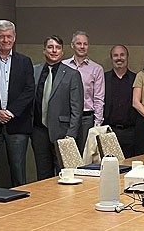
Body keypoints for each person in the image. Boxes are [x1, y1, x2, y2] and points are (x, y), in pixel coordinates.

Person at [0, 19, 35, 188]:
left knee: (18, 170)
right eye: (1, 36)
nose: (5, 40)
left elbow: (29, 91)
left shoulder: (24, 61)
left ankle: (20, 207)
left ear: (15, 37)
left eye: (9, 36)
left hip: (18, 124)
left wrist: (10, 112)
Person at [31, 35, 83, 180]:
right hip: (38, 131)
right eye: (50, 47)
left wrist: (71, 135)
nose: (54, 51)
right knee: (43, 175)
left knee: (64, 175)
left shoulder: (72, 74)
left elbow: (77, 109)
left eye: (57, 48)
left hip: (62, 132)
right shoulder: (34, 71)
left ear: (62, 52)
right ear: (44, 50)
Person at [62, 31, 105, 153]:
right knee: (67, 155)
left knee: (85, 156)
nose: (82, 46)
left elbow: (99, 98)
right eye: (79, 43)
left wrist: (97, 124)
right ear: (72, 45)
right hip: (66, 117)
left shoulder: (96, 69)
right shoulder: (63, 66)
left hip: (86, 119)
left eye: (85, 44)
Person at [103, 44, 137, 157]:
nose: (119, 58)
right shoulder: (103, 78)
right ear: (111, 58)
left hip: (130, 133)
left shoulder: (136, 79)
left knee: (129, 167)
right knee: (109, 168)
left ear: (127, 57)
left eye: (122, 55)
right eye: (115, 55)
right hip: (108, 131)